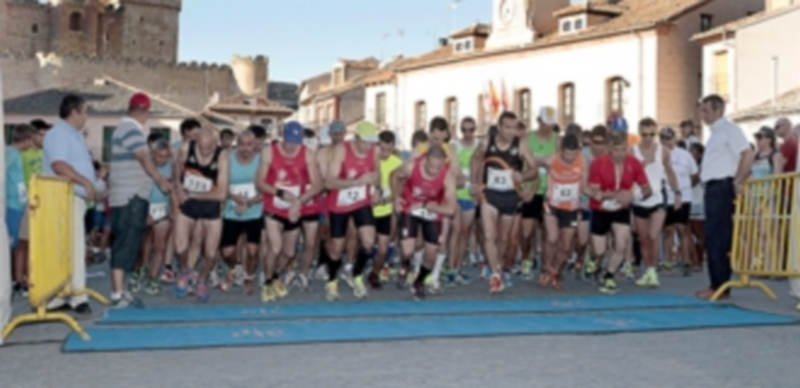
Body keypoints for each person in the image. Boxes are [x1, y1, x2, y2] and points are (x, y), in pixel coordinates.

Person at [108, 93, 171, 308]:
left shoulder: (125, 128)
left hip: (129, 194)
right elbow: (143, 157)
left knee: (129, 242)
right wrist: (159, 179)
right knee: (125, 243)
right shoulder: (131, 129)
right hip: (130, 195)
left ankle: (121, 290)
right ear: (145, 111)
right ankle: (118, 293)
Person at [470, 111, 539, 294]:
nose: (510, 132)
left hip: (510, 196)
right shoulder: (487, 142)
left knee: (503, 238)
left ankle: (497, 266)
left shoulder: (521, 145)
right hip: (489, 195)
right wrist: (475, 183)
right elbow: (476, 159)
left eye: (513, 128)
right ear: (499, 127)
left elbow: (534, 170)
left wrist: (523, 176)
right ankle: (494, 275)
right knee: (489, 236)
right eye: (507, 127)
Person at [696, 94, 754, 300]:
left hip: (722, 185)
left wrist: (738, 180)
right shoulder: (715, 133)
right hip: (713, 187)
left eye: (706, 110)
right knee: (713, 236)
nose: (703, 114)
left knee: (718, 236)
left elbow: (747, 154)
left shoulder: (730, 130)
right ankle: (717, 283)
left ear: (718, 110)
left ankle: (719, 285)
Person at [42, 94, 96, 314]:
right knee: (73, 247)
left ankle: (61, 295)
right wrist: (84, 182)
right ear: (74, 112)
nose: (86, 116)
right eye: (85, 111)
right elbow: (59, 165)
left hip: (74, 197)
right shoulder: (59, 134)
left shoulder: (74, 135)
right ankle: (77, 296)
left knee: (69, 247)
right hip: (65, 197)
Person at [258, 122, 323, 302]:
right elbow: (260, 182)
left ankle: (274, 274)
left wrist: (299, 201)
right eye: (289, 142)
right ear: (283, 137)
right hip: (273, 206)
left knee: (289, 253)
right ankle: (267, 282)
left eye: (296, 142)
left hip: (293, 207)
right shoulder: (269, 152)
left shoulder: (307, 154)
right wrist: (279, 193)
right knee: (276, 247)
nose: (293, 146)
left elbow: (318, 185)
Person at [588, 131, 651, 294]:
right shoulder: (598, 163)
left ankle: (609, 275)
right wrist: (615, 194)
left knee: (622, 244)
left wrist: (633, 196)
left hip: (621, 208)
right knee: (599, 250)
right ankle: (595, 259)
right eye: (616, 150)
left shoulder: (634, 163)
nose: (620, 154)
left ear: (627, 148)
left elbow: (647, 189)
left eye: (623, 150)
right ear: (610, 149)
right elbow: (595, 192)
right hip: (601, 208)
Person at [323, 121, 380, 301]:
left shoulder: (375, 151)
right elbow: (329, 182)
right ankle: (332, 280)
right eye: (365, 142)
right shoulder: (342, 150)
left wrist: (377, 189)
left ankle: (356, 273)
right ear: (356, 139)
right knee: (337, 247)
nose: (368, 146)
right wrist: (356, 182)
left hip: (361, 201)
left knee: (369, 242)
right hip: (339, 203)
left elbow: (376, 175)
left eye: (372, 142)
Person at [392, 144, 457, 299]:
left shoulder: (448, 176)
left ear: (444, 163)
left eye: (438, 167)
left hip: (432, 211)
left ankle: (419, 281)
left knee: (431, 255)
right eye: (431, 166)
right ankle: (406, 262)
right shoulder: (411, 166)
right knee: (408, 250)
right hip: (410, 207)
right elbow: (394, 175)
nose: (434, 171)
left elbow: (451, 209)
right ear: (425, 159)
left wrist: (425, 205)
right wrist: (395, 197)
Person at [172, 128, 229, 302]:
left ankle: (202, 280)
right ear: (196, 142)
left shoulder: (222, 156)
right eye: (202, 148)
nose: (205, 152)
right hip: (188, 202)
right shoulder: (185, 148)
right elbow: (176, 169)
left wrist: (192, 194)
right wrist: (178, 186)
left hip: (210, 204)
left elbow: (221, 194)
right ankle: (184, 271)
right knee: (180, 247)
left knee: (211, 253)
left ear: (215, 144)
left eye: (209, 148)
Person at [630, 118, 681, 288]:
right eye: (644, 134)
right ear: (639, 133)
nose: (648, 138)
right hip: (639, 199)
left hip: (658, 198)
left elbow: (670, 172)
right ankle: (649, 269)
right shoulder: (632, 151)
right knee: (644, 238)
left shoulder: (663, 151)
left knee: (654, 235)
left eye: (651, 134)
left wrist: (677, 192)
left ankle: (653, 271)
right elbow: (626, 174)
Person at [538, 134, 588, 288]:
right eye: (567, 154)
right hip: (552, 204)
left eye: (573, 154)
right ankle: (547, 267)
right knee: (552, 238)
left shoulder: (582, 161)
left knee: (566, 246)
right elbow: (532, 161)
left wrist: (596, 194)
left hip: (571, 207)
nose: (570, 158)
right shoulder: (551, 160)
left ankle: (555, 270)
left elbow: (584, 186)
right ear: (561, 150)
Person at [219, 130, 263, 295]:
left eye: (249, 144)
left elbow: (267, 189)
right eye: (242, 144)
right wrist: (232, 196)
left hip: (254, 210)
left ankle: (248, 277)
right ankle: (236, 269)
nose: (245, 148)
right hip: (232, 210)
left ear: (255, 145)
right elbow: (220, 186)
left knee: (252, 250)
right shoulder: (228, 159)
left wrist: (249, 203)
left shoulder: (261, 160)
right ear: (236, 144)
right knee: (227, 252)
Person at [519, 107, 560, 279]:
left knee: (548, 231)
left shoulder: (558, 140)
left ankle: (546, 263)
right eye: (545, 123)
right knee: (526, 232)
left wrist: (537, 160)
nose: (548, 127)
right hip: (530, 189)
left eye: (552, 124)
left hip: (550, 191)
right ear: (538, 121)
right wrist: (544, 161)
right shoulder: (527, 138)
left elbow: (557, 162)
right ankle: (526, 257)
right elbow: (523, 160)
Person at [660, 127, 699, 276]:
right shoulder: (658, 155)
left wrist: (685, 188)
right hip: (666, 196)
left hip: (683, 196)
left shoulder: (684, 155)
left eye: (668, 138)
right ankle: (668, 262)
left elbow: (695, 174)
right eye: (663, 138)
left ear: (674, 138)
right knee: (668, 230)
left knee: (682, 228)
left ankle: (686, 260)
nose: (666, 141)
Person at [448, 117, 480, 286]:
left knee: (465, 233)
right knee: (456, 231)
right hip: (456, 194)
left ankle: (457, 268)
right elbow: (452, 171)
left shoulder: (479, 146)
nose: (468, 133)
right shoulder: (455, 147)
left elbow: (482, 169)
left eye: (471, 129)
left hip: (471, 195)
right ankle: (451, 268)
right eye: (464, 130)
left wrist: (478, 188)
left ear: (475, 130)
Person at [369, 130, 403, 289]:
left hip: (386, 211)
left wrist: (387, 199)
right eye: (382, 149)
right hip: (368, 210)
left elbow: (399, 190)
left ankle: (374, 273)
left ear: (393, 148)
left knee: (383, 248)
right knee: (367, 244)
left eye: (389, 150)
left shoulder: (397, 163)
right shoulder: (370, 161)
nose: (385, 153)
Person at [141, 139, 173, 294]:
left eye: (166, 156)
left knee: (160, 246)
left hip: (163, 209)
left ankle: (153, 277)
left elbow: (175, 188)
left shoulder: (172, 167)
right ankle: (143, 267)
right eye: (160, 156)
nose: (163, 159)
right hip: (147, 206)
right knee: (146, 242)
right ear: (153, 154)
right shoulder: (146, 167)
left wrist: (172, 208)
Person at [576, 125, 608, 278]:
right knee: (582, 240)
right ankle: (580, 256)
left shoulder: (610, 156)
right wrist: (593, 194)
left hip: (603, 201)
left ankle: (596, 264)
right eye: (595, 142)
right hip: (584, 199)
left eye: (601, 142)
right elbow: (582, 182)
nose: (598, 146)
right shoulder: (583, 156)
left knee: (600, 240)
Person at [6, 124, 34, 296]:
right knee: (11, 242)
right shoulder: (10, 153)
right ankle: (10, 279)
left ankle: (18, 280)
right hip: (12, 204)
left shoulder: (15, 154)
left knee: (19, 243)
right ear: (26, 139)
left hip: (19, 203)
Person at [688, 143, 706, 272]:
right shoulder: (687, 168)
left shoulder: (703, 168)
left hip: (699, 202)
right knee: (688, 233)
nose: (691, 154)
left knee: (699, 234)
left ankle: (698, 260)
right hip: (688, 201)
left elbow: (693, 182)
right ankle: (691, 259)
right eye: (690, 151)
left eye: (694, 152)